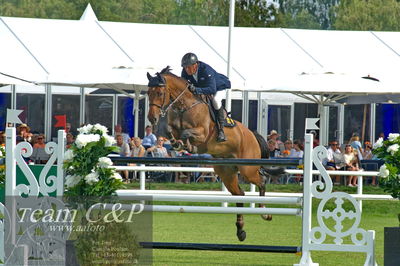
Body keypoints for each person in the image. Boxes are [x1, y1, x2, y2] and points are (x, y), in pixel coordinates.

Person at [181, 52, 231, 142]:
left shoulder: (206, 70)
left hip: (219, 87)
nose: (186, 69)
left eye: (188, 67)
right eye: (185, 67)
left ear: (195, 65)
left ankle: (221, 130)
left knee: (215, 101)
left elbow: (212, 89)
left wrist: (197, 89)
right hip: (203, 87)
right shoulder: (185, 72)